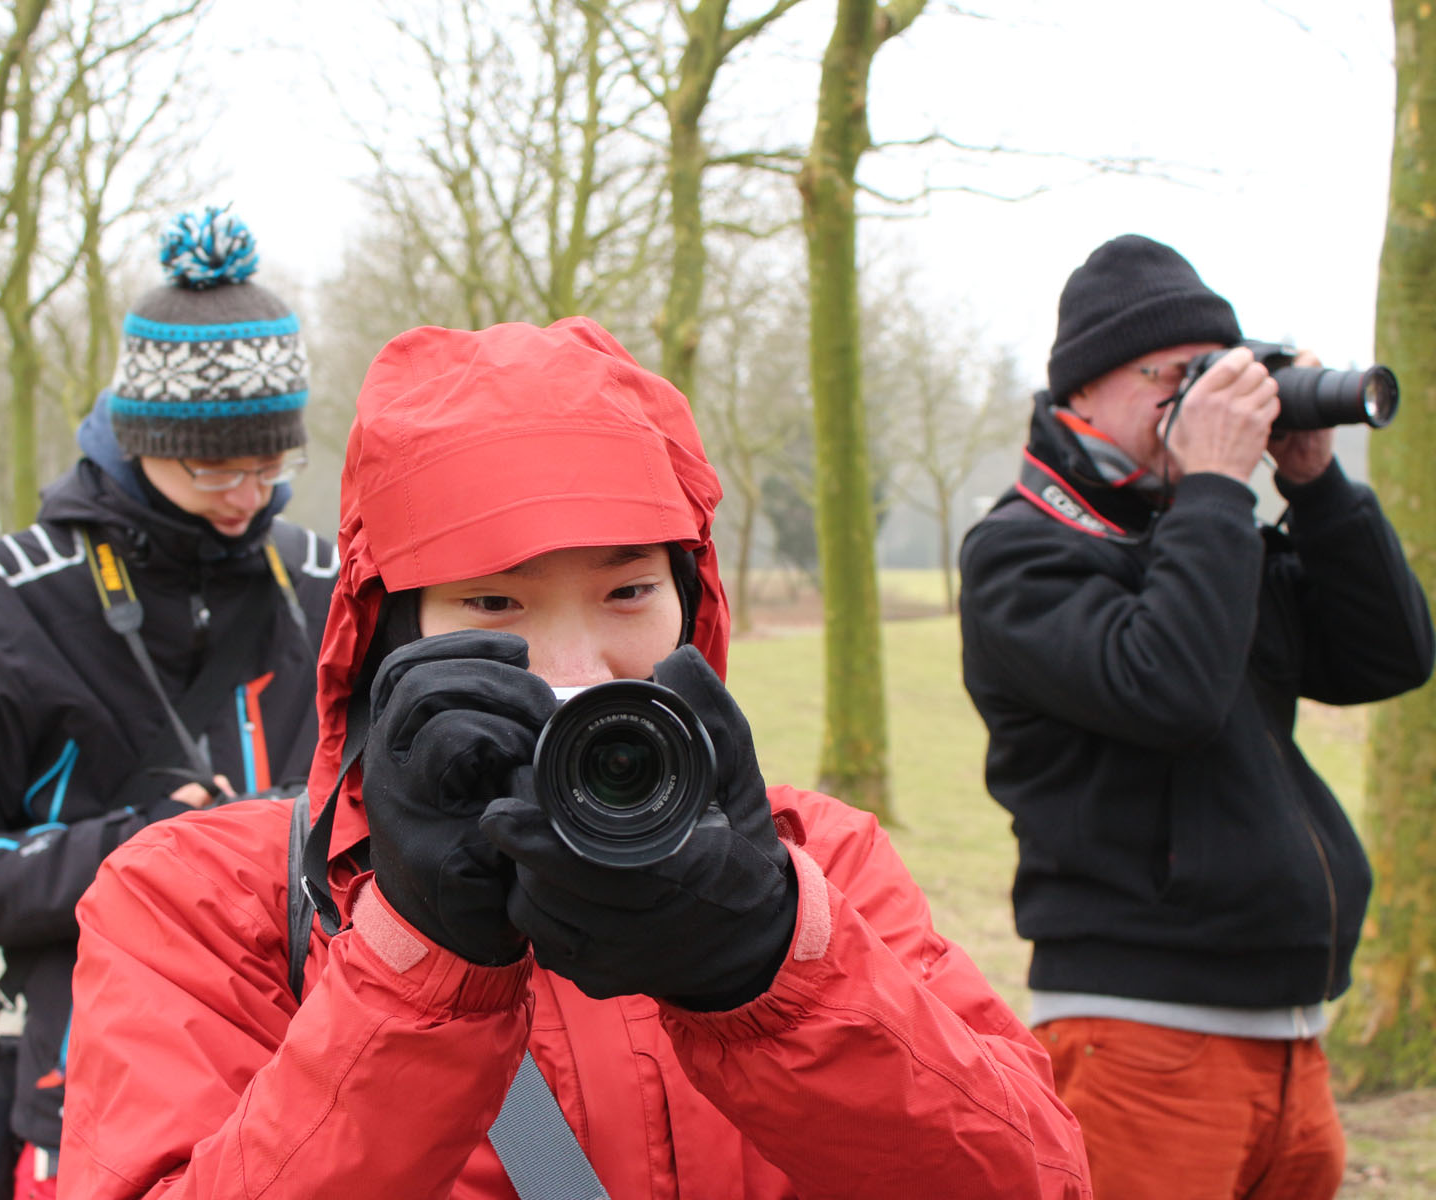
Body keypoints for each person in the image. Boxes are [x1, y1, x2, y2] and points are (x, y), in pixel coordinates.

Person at [58, 316, 1091, 1199]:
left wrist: (770, 973)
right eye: (492, 602)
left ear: (692, 603)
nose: (572, 671)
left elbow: (1037, 1179)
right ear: (388, 632)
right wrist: (414, 966)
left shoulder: (821, 865)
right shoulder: (200, 902)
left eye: (627, 593)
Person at [956, 234, 1434, 1200]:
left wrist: (1315, 482)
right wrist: (1215, 487)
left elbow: (1390, 656)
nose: (1207, 397)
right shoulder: (1019, 552)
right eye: (1174, 375)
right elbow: (1168, 691)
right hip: (1141, 1034)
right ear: (1084, 389)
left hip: (1293, 1034)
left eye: (1217, 372)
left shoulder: (1203, 532)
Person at [0, 206, 337, 1200]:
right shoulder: (7, 599)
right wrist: (139, 851)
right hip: (96, 1100)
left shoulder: (327, 581)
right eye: (214, 465)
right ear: (141, 438)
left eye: (271, 464)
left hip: (329, 1088)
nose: (247, 495)